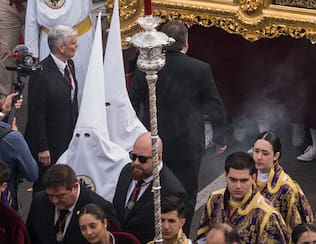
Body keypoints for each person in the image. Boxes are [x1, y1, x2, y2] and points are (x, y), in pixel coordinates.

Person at [128, 20, 227, 214]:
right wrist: (220, 138)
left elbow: (132, 101)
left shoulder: (145, 66)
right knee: (185, 196)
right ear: (186, 43)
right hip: (187, 146)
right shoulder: (200, 69)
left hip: (153, 144)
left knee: (153, 194)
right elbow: (215, 104)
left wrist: (137, 136)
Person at [195, 151, 290, 244]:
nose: (238, 186)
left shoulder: (267, 215)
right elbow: (203, 236)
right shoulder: (215, 199)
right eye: (233, 179)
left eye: (243, 180)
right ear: (226, 176)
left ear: (253, 178)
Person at [24, 25, 80, 176]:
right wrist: (42, 148)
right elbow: (36, 114)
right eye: (73, 43)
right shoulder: (40, 75)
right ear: (62, 48)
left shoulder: (70, 65)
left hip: (67, 139)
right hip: (50, 146)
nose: (77, 46)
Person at [111, 132, 185, 244]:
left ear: (158, 158)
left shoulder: (172, 190)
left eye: (142, 159)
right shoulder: (127, 171)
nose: (135, 163)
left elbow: (173, 234)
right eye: (133, 156)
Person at [25, 163, 118, 244]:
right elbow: (29, 237)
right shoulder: (40, 201)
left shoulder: (100, 208)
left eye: (60, 196)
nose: (54, 201)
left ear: (75, 187)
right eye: (50, 196)